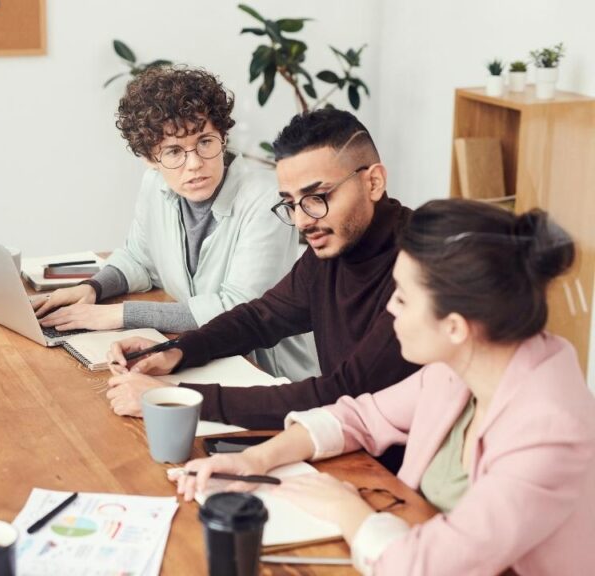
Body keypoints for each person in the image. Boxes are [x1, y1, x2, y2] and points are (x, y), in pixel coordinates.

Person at [179, 200, 595, 575]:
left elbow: (421, 566)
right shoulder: (465, 364)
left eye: (403, 298)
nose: (390, 308)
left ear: (455, 327)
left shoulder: (549, 433)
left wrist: (344, 508)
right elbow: (361, 416)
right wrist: (257, 458)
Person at [106, 108, 419, 430]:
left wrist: (176, 398)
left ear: (374, 182)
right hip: (344, 439)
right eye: (291, 203)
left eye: (318, 196)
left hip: (394, 468)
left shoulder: (420, 269)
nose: (302, 221)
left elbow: (343, 393)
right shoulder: (335, 246)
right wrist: (177, 351)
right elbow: (261, 318)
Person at [34, 66, 317, 381]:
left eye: (206, 142)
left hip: (264, 374)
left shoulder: (265, 198)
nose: (194, 164)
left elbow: (239, 308)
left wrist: (116, 315)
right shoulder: (155, 185)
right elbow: (139, 259)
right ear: (148, 159)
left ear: (223, 137)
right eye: (173, 151)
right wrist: (92, 288)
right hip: (199, 356)